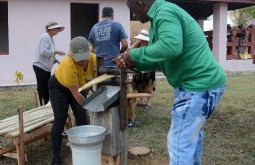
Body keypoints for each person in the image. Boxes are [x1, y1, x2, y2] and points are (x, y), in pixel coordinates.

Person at [114, 0, 227, 164]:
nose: (133, 15)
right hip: (202, 85)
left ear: (139, 3)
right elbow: (159, 60)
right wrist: (133, 62)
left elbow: (171, 46)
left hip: (197, 86)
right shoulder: (158, 20)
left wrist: (134, 54)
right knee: (189, 142)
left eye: (132, 10)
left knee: (180, 145)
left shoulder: (164, 12)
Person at [48, 36, 97, 165]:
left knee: (82, 117)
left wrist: (95, 94)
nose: (83, 62)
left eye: (84, 58)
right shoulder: (68, 65)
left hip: (79, 86)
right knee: (60, 118)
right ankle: (56, 156)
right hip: (59, 87)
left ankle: (84, 148)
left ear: (89, 52)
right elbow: (77, 95)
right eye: (79, 59)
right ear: (72, 55)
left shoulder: (93, 58)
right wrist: (93, 107)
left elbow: (94, 79)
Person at [33, 21, 65, 106]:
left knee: (46, 86)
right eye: (56, 29)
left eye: (58, 29)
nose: (58, 31)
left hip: (45, 67)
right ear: (51, 29)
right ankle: (40, 105)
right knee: (42, 87)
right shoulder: (46, 37)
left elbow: (48, 53)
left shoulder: (50, 38)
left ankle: (46, 104)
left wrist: (55, 60)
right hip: (40, 66)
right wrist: (56, 52)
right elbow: (43, 52)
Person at [131, 29, 155, 109]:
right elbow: (130, 51)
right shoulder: (137, 45)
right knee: (137, 85)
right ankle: (141, 101)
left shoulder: (151, 46)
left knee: (149, 85)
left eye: (143, 39)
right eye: (140, 39)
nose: (141, 40)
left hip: (149, 69)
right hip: (138, 69)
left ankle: (148, 102)